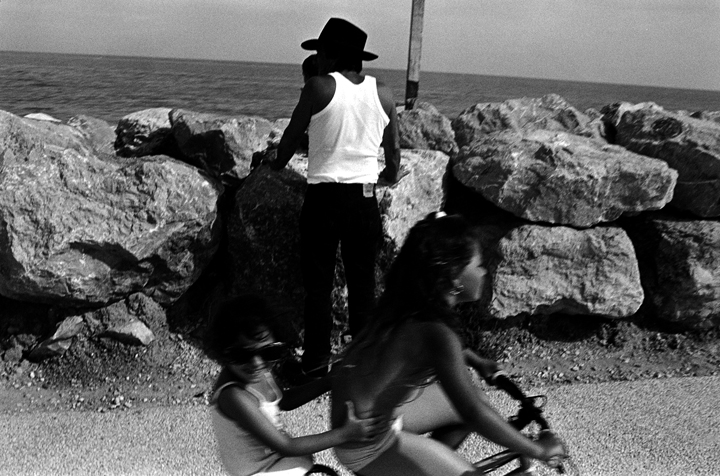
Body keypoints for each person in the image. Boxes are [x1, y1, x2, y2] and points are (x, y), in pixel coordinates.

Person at [329, 212, 566, 475]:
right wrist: (539, 450)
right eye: (478, 265)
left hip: (367, 417)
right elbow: (473, 412)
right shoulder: (438, 334)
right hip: (367, 444)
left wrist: (476, 360)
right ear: (454, 275)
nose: (484, 271)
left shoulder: (411, 305)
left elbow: (428, 349)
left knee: (476, 397)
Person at [266, 17, 401, 379]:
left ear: (331, 54)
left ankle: (315, 361)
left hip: (324, 199)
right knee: (363, 284)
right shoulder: (383, 92)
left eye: (321, 52)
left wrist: (275, 164)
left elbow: (291, 137)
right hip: (364, 199)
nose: (318, 59)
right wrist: (389, 176)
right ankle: (364, 361)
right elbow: (393, 150)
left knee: (318, 285)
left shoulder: (318, 87)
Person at [205, 294, 385, 476]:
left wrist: (328, 381)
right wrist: (346, 433)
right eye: (242, 356)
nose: (257, 363)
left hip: (275, 460)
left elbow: (285, 400)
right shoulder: (233, 396)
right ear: (223, 353)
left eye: (269, 352)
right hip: (260, 471)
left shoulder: (261, 372)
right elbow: (286, 446)